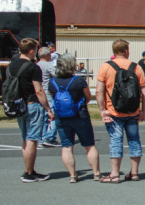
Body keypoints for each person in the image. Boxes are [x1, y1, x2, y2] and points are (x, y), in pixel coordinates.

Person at [96, 39, 145, 183]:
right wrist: (144, 110)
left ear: (114, 52)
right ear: (126, 51)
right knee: (134, 141)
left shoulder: (106, 67)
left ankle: (114, 174)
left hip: (114, 112)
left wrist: (102, 110)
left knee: (115, 141)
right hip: (133, 112)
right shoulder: (136, 67)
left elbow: (99, 91)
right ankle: (135, 173)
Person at [48, 54, 100, 183]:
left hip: (61, 117)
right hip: (80, 115)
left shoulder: (52, 82)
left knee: (67, 146)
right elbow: (88, 97)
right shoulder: (79, 81)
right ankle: (96, 173)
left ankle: (72, 175)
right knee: (89, 145)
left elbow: (53, 97)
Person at [8, 38, 54, 182]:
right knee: (32, 139)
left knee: (25, 139)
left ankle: (29, 170)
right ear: (31, 51)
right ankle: (28, 173)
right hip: (32, 105)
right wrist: (48, 109)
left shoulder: (11, 66)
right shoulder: (33, 68)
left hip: (18, 105)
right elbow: (39, 91)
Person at [36, 47, 60, 148]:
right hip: (47, 93)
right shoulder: (48, 65)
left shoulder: (36, 65)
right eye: (50, 54)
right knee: (53, 115)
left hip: (39, 94)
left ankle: (42, 138)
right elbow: (56, 75)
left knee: (43, 117)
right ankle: (50, 137)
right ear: (46, 55)